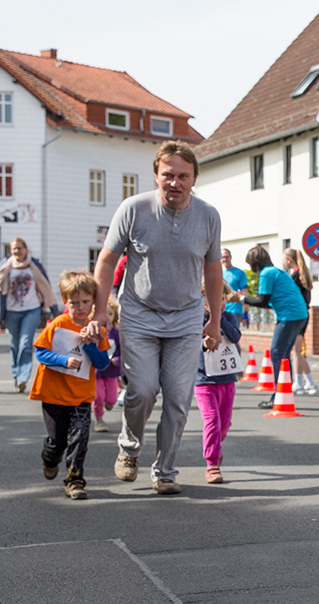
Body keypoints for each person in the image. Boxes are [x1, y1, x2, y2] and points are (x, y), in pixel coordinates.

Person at [91, 140, 223, 496]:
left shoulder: (208, 216)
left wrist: (214, 320)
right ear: (156, 175)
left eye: (183, 176)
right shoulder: (133, 209)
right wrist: (101, 311)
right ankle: (129, 449)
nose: (175, 183)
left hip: (185, 318)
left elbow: (213, 271)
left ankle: (165, 471)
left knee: (179, 399)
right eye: (168, 175)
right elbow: (106, 261)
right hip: (139, 314)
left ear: (194, 178)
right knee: (143, 390)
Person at [28, 270, 110, 500]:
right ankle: (50, 459)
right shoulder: (57, 325)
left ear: (94, 301)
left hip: (81, 396)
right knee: (58, 441)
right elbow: (41, 353)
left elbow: (103, 363)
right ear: (65, 302)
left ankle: (75, 480)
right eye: (74, 303)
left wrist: (91, 346)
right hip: (53, 394)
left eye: (86, 301)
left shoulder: (96, 330)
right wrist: (64, 360)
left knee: (79, 439)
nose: (81, 307)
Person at [0, 237, 62, 393]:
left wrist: (55, 311)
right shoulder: (5, 266)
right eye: (14, 249)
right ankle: (16, 374)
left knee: (25, 343)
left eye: (19, 248)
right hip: (11, 311)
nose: (16, 251)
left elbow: (46, 287)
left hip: (31, 309)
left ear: (26, 249)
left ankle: (22, 378)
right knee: (14, 345)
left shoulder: (35, 266)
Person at [242, 246, 308, 408]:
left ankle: (280, 394)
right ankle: (284, 392)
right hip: (299, 314)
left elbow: (262, 300)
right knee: (283, 355)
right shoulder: (275, 271)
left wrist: (242, 298)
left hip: (289, 316)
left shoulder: (266, 274)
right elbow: (268, 303)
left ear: (254, 263)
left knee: (277, 353)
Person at [194, 280, 243, 484]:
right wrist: (204, 341)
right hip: (204, 380)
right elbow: (189, 343)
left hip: (227, 379)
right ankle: (212, 463)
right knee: (212, 421)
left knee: (223, 425)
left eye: (221, 298)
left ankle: (216, 444)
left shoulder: (229, 317)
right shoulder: (195, 320)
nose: (218, 302)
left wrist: (218, 318)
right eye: (212, 298)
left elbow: (235, 336)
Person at [284, 248, 318, 394]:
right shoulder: (302, 274)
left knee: (295, 351)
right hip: (304, 314)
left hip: (297, 315)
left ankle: (298, 383)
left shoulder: (296, 276)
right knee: (297, 350)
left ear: (289, 260)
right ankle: (310, 383)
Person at [93, 297, 123, 433]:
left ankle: (108, 403)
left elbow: (122, 350)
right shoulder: (94, 330)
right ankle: (99, 420)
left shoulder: (116, 333)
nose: (107, 317)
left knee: (111, 399)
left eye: (110, 313)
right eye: (104, 313)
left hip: (111, 371)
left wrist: (118, 358)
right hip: (97, 372)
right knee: (98, 396)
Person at [221, 248, 249, 327]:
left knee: (233, 337)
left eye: (226, 257)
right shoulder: (220, 274)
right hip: (222, 311)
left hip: (235, 311)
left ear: (231, 257)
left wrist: (246, 313)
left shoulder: (240, 273)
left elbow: (244, 294)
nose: (225, 259)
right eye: (222, 257)